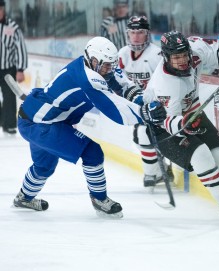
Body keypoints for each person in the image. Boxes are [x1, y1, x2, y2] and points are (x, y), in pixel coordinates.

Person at [12, 36, 166, 218]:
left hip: (36, 117)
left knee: (44, 165)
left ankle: (24, 197)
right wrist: (144, 113)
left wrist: (142, 101)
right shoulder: (88, 78)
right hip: (39, 123)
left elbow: (123, 85)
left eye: (111, 65)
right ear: (92, 60)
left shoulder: (99, 66)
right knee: (92, 151)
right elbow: (116, 109)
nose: (109, 69)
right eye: (105, 65)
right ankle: (100, 200)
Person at [134, 31, 219, 221]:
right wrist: (184, 124)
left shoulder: (194, 48)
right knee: (201, 155)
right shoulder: (165, 84)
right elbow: (167, 120)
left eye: (184, 55)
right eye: (176, 57)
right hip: (162, 127)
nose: (182, 60)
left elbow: (216, 48)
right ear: (166, 57)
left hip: (192, 112)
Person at [118, 15, 173, 187]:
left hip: (159, 105)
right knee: (142, 135)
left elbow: (167, 82)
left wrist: (154, 102)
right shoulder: (122, 54)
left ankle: (154, 172)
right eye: (132, 32)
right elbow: (118, 82)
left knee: (146, 134)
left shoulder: (157, 54)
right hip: (137, 105)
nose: (135, 36)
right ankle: (159, 169)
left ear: (147, 34)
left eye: (140, 32)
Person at [0, 0, 27, 134]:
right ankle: (2, 120)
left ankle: (9, 124)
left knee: (9, 96)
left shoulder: (12, 27)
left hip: (7, 69)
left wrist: (20, 69)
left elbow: (20, 47)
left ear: (3, 10)